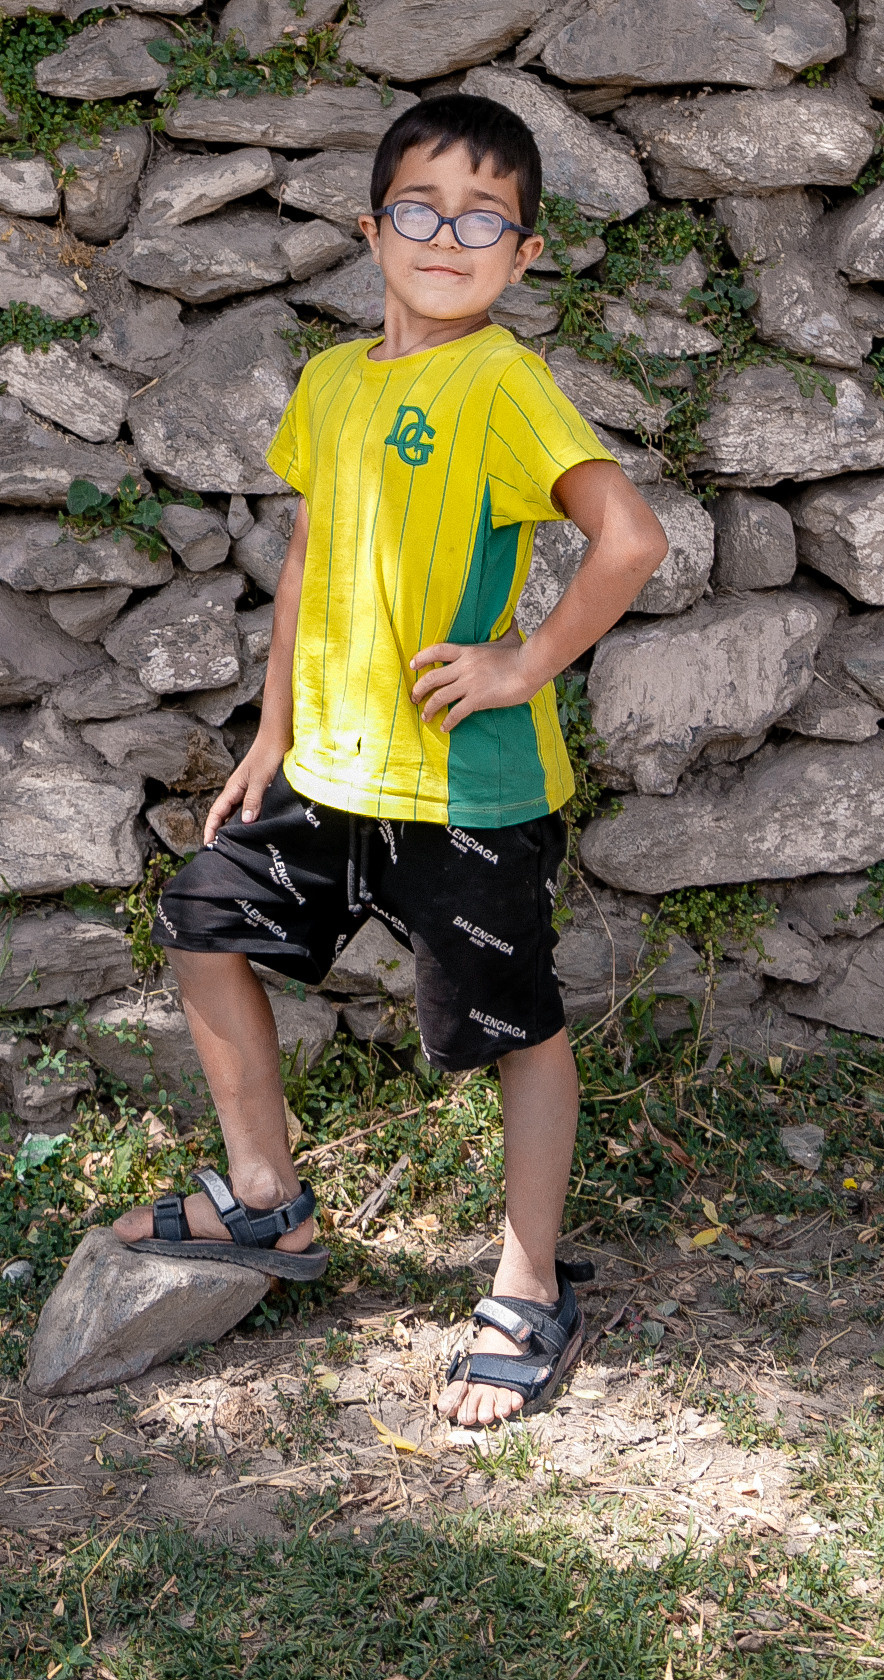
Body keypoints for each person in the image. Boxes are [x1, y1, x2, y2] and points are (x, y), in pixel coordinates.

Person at [109, 93, 672, 1430]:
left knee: (515, 1032)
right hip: (329, 774)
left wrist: (522, 664)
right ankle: (266, 1202)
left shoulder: (500, 384)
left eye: (485, 220)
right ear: (373, 230)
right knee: (202, 920)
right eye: (420, 209)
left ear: (524, 255)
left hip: (468, 789)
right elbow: (307, 557)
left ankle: (528, 1288)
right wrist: (271, 732)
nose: (447, 235)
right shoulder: (331, 384)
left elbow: (631, 539)